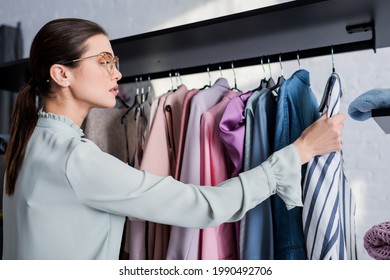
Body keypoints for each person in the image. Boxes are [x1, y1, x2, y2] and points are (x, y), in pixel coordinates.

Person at [2, 18, 345, 260]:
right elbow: (204, 206)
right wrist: (300, 151)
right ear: (61, 74)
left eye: (115, 61)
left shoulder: (27, 144)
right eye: (104, 61)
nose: (117, 73)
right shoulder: (75, 160)